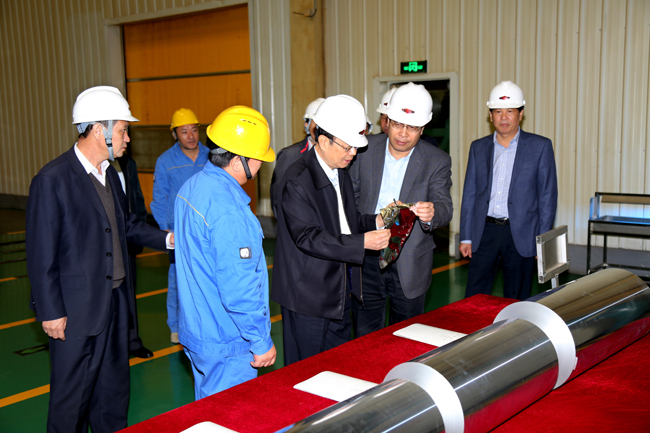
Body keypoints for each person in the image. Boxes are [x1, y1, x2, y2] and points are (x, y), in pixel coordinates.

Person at [25, 86, 172, 433]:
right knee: (71, 404)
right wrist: (50, 311)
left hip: (115, 304)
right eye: (122, 130)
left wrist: (169, 240)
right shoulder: (52, 180)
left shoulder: (111, 174)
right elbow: (41, 253)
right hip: (75, 313)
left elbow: (128, 225)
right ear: (97, 130)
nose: (127, 138)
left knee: (112, 396)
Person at [271, 95, 391, 365]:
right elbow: (308, 237)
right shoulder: (297, 180)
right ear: (324, 141)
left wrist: (377, 221)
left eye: (355, 147)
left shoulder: (339, 169)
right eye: (347, 147)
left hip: (338, 290)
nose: (353, 154)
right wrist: (362, 243)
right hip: (307, 296)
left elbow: (345, 222)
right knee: (306, 369)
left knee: (338, 365)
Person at [174, 106, 277, 399]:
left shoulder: (191, 188)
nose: (261, 163)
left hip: (199, 330)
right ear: (237, 161)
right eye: (257, 158)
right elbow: (239, 286)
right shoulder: (229, 210)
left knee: (209, 410)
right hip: (226, 340)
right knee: (231, 415)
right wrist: (260, 340)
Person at [349, 82, 453, 337]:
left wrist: (432, 213)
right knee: (365, 335)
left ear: (423, 128)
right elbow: (350, 197)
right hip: (367, 255)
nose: (403, 134)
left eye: (412, 127)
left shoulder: (437, 160)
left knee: (406, 336)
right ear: (387, 120)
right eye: (397, 124)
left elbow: (445, 207)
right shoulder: (364, 149)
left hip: (410, 261)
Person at [459, 81, 557, 300]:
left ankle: (513, 324)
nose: (504, 118)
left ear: (520, 114)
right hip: (485, 231)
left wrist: (541, 242)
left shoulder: (540, 146)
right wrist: (466, 236)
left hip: (521, 233)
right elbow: (470, 194)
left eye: (510, 111)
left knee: (516, 296)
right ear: (490, 115)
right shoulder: (478, 147)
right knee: (475, 295)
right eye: (498, 112)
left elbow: (547, 197)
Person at [150, 108, 209, 344]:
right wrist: (166, 229)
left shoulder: (211, 157)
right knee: (178, 279)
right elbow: (159, 198)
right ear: (175, 134)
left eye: (194, 130)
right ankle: (175, 326)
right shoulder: (165, 161)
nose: (191, 136)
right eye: (184, 131)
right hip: (180, 232)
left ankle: (206, 323)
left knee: (209, 277)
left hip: (208, 229)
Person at [110, 153, 154, 358]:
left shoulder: (128, 163)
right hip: (105, 241)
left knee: (128, 292)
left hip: (127, 238)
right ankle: (111, 346)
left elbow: (136, 197)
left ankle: (132, 341)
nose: (127, 139)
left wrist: (140, 232)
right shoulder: (94, 165)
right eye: (123, 135)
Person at [270, 97, 324, 217]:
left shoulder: (340, 155)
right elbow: (277, 195)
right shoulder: (289, 155)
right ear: (306, 124)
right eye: (318, 124)